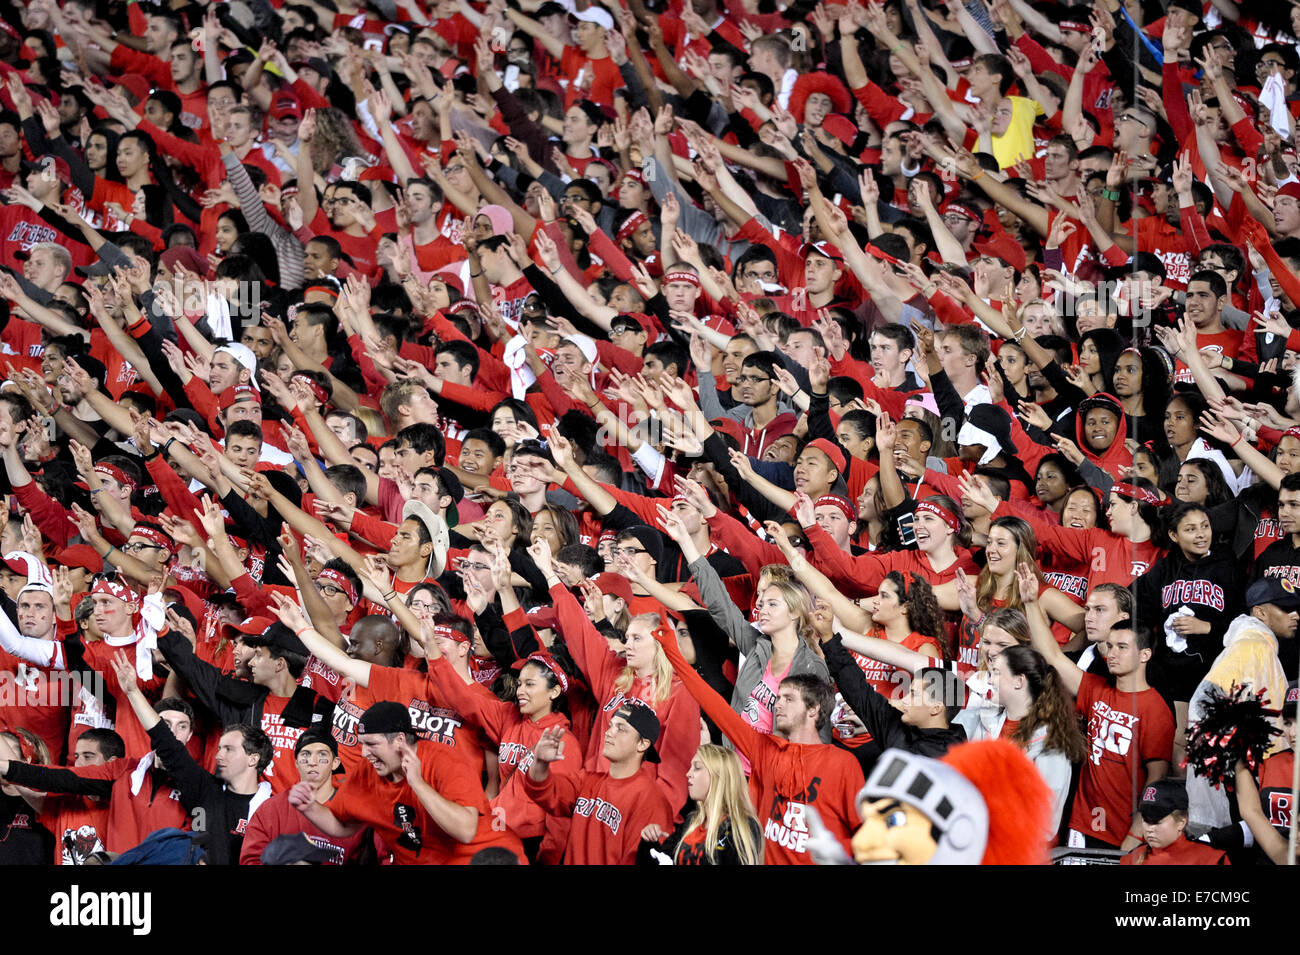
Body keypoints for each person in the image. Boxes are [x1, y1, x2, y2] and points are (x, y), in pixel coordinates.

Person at [287, 702, 525, 865]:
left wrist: (418, 784)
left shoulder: (446, 761)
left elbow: (465, 830)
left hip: (485, 856)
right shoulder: (368, 771)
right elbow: (344, 826)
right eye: (362, 744)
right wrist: (309, 807)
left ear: (400, 741)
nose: (364, 753)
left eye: (372, 744)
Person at [523, 701, 673, 865]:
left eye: (621, 729)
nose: (609, 733)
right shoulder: (588, 780)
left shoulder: (651, 801)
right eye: (611, 726)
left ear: (642, 744)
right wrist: (540, 763)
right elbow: (543, 791)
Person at [640, 744, 763, 865]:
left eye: (697, 768)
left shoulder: (741, 825)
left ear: (718, 776)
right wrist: (649, 842)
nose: (688, 774)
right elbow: (660, 858)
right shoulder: (691, 822)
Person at [1120, 778, 1229, 866]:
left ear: (1181, 822)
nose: (1149, 828)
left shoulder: (1212, 859)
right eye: (1146, 820)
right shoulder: (1131, 859)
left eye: (1157, 821)